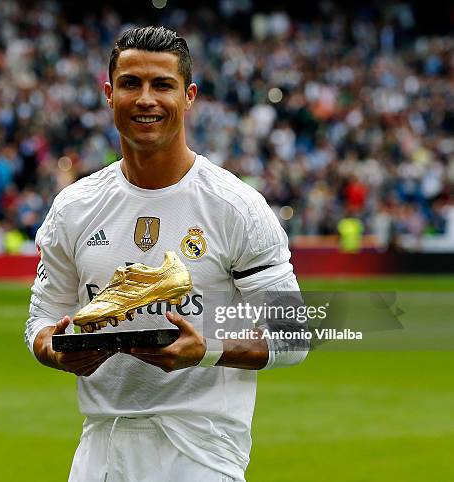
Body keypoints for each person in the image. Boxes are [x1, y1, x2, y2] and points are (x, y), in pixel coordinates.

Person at [25, 26, 308, 482]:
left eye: (162, 85)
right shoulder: (75, 207)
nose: (146, 99)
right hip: (101, 442)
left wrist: (208, 349)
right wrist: (55, 349)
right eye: (131, 83)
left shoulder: (235, 207)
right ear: (108, 93)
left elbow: (293, 335)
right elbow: (41, 319)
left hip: (200, 447)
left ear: (189, 95)